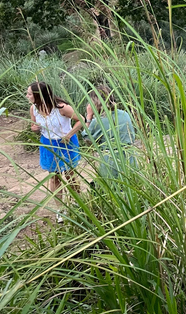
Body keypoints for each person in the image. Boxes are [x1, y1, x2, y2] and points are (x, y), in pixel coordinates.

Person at [27, 81, 83, 222]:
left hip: (66, 143)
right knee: (54, 176)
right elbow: (34, 125)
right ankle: (61, 209)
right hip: (48, 144)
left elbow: (80, 120)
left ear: (39, 96)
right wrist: (34, 128)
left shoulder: (61, 108)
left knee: (70, 175)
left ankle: (78, 203)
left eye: (29, 94)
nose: (27, 96)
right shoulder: (33, 109)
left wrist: (69, 134)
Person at [84, 85, 136, 180]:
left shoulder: (98, 121)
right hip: (130, 159)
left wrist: (89, 117)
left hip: (111, 163)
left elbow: (87, 139)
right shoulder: (125, 114)